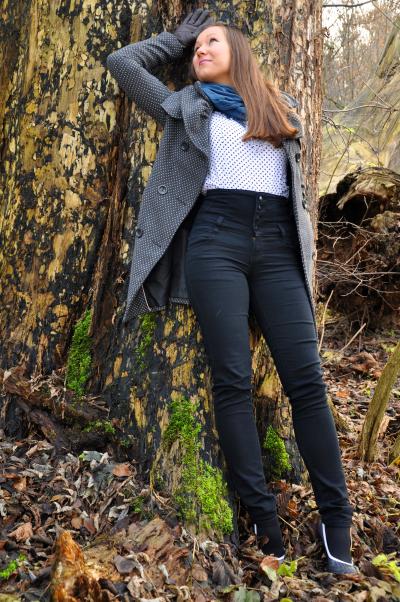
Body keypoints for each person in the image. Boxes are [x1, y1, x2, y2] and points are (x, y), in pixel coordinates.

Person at [106, 9, 358, 574]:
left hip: (279, 249)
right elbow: (121, 62)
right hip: (216, 242)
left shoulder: (280, 108)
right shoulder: (185, 105)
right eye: (195, 45)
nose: (200, 49)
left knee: (307, 382)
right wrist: (173, 40)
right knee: (232, 381)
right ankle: (264, 520)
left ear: (238, 51)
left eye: (210, 41)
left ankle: (335, 518)